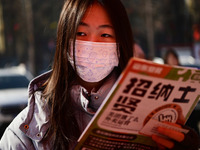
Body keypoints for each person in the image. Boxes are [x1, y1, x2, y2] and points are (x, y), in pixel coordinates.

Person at [0, 0, 199, 149]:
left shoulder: (153, 114)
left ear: (120, 44)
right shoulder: (25, 132)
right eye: (81, 33)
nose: (93, 44)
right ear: (64, 39)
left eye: (105, 35)